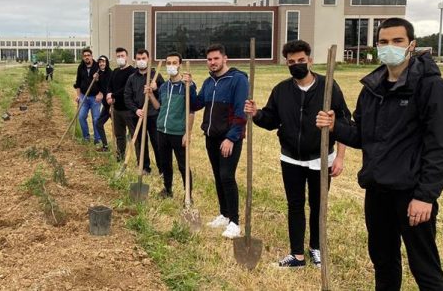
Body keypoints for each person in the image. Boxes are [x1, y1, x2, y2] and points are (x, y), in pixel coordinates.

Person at [317, 18, 443, 290]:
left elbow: (441, 148)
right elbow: (363, 136)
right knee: (383, 262)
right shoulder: (372, 89)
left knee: (424, 266)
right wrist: (337, 127)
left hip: (412, 193)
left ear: (412, 45)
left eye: (397, 41)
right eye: (383, 42)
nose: (389, 47)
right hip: (378, 190)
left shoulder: (432, 88)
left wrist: (425, 196)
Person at [244, 40, 350, 267]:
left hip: (320, 158)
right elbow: (271, 120)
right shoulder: (281, 90)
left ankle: (316, 248)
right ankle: (297, 255)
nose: (296, 65)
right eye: (291, 62)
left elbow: (343, 122)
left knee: (318, 205)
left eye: (301, 60)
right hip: (290, 158)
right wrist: (257, 114)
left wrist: (339, 157)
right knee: (294, 204)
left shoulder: (329, 86)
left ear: (310, 60)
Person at [189, 44, 248, 239]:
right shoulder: (208, 82)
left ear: (225, 59)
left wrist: (231, 138)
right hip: (211, 137)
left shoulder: (237, 80)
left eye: (216, 58)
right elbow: (196, 104)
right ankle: (224, 214)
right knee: (218, 176)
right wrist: (189, 87)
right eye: (209, 59)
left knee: (227, 177)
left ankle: (235, 222)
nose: (212, 62)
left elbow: (241, 112)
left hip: (229, 138)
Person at [147, 52, 196, 198]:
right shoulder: (163, 87)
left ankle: (188, 196)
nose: (171, 66)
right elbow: (158, 107)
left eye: (174, 63)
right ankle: (167, 190)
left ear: (180, 65)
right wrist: (150, 95)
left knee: (183, 166)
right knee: (165, 163)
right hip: (162, 130)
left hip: (178, 132)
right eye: (168, 63)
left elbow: (192, 111)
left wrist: (188, 133)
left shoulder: (187, 86)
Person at [124, 49, 164, 175]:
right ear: (135, 60)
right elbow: (127, 96)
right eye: (139, 59)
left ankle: (162, 169)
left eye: (143, 58)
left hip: (153, 115)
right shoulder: (131, 78)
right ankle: (144, 167)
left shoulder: (156, 76)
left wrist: (156, 89)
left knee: (157, 143)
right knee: (141, 144)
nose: (141, 61)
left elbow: (163, 96)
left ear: (148, 59)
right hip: (138, 115)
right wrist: (136, 110)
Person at [106, 47, 136, 162]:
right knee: (119, 135)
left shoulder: (132, 72)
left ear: (126, 57)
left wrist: (113, 95)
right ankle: (120, 156)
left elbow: (126, 89)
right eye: (118, 56)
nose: (120, 58)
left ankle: (140, 160)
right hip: (116, 109)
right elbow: (110, 85)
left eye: (122, 56)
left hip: (128, 109)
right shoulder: (115, 72)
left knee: (134, 136)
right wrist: (109, 94)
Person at [73, 48, 102, 143]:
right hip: (83, 97)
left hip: (95, 98)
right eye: (85, 56)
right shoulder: (80, 67)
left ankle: (97, 139)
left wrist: (100, 93)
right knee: (81, 117)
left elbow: (104, 82)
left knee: (96, 118)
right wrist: (78, 95)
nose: (87, 57)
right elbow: (78, 83)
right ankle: (86, 137)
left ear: (92, 56)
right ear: (82, 57)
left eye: (88, 55)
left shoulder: (98, 67)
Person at [94, 55, 113, 152]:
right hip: (105, 105)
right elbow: (99, 89)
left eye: (103, 62)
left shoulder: (111, 73)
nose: (102, 64)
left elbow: (111, 89)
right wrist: (96, 80)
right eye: (100, 62)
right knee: (99, 124)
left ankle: (123, 144)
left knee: (118, 126)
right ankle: (105, 146)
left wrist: (111, 105)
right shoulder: (99, 74)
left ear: (107, 63)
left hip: (112, 104)